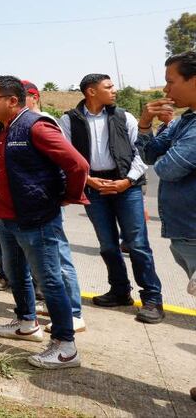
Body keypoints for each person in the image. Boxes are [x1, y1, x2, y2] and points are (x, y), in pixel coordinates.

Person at [0, 76, 88, 370]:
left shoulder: (36, 125)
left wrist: (67, 195)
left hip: (36, 219)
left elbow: (77, 165)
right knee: (17, 275)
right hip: (8, 218)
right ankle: (26, 323)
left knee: (50, 281)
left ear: (12, 101)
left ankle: (65, 346)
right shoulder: (4, 128)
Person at [58, 73, 163, 324]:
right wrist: (88, 180)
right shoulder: (69, 120)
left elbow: (141, 151)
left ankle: (152, 299)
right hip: (94, 187)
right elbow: (67, 155)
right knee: (107, 245)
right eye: (108, 86)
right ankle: (119, 291)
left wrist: (127, 181)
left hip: (126, 186)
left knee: (137, 244)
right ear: (91, 91)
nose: (114, 90)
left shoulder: (123, 116)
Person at [135, 50, 196, 401]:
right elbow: (150, 152)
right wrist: (145, 125)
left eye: (172, 80)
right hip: (184, 230)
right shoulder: (186, 121)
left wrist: (163, 148)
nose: (166, 88)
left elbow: (167, 168)